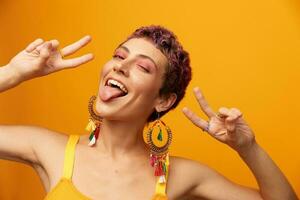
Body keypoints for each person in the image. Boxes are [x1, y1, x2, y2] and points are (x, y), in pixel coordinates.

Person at [0, 25, 298, 200]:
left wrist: (248, 148)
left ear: (163, 101)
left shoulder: (179, 175)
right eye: (119, 56)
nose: (120, 66)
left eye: (143, 67)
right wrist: (12, 73)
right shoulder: (48, 149)